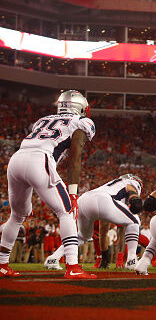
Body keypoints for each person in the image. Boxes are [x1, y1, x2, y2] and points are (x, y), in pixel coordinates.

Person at [0, 90, 96, 279]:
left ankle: (2, 264)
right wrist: (73, 192)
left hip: (17, 159)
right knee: (67, 211)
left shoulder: (43, 119)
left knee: (17, 216)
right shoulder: (81, 122)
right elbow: (75, 155)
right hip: (40, 160)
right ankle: (73, 266)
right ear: (81, 107)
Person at [44, 174, 143, 271]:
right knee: (135, 220)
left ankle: (53, 259)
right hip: (102, 200)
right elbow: (130, 188)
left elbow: (104, 226)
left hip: (83, 200)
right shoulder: (131, 182)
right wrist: (134, 198)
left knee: (83, 236)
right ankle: (131, 260)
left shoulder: (112, 185)